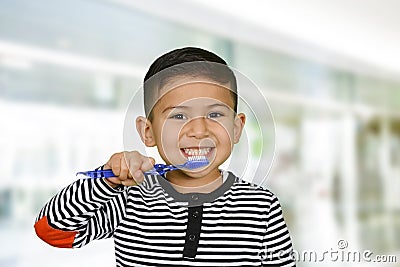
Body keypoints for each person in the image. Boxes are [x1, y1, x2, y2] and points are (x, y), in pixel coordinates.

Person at [34, 47, 295, 266]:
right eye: (178, 116)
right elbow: (51, 230)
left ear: (236, 128)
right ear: (148, 132)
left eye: (215, 114)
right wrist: (106, 181)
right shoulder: (131, 199)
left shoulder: (262, 206)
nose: (198, 130)